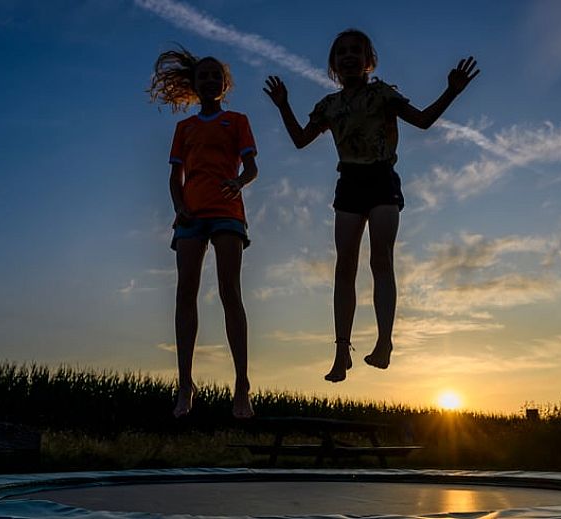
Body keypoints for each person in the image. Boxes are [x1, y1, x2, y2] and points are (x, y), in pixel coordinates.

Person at [264, 29, 479, 382]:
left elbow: (423, 121)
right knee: (344, 266)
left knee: (381, 259)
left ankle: (384, 342)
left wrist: (452, 92)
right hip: (349, 184)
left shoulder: (382, 94)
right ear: (333, 64)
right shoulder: (329, 106)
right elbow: (301, 140)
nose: (349, 56)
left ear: (368, 61)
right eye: (342, 52)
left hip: (381, 180)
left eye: (356, 51)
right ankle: (340, 352)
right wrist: (284, 105)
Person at [149, 46, 257, 418]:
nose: (209, 80)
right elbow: (174, 177)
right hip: (191, 216)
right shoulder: (185, 128)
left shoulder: (237, 121)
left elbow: (252, 168)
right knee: (185, 294)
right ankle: (185, 384)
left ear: (224, 85)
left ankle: (242, 384)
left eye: (216, 76)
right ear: (195, 85)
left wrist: (239, 182)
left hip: (227, 212)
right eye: (203, 76)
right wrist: (179, 206)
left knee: (230, 292)